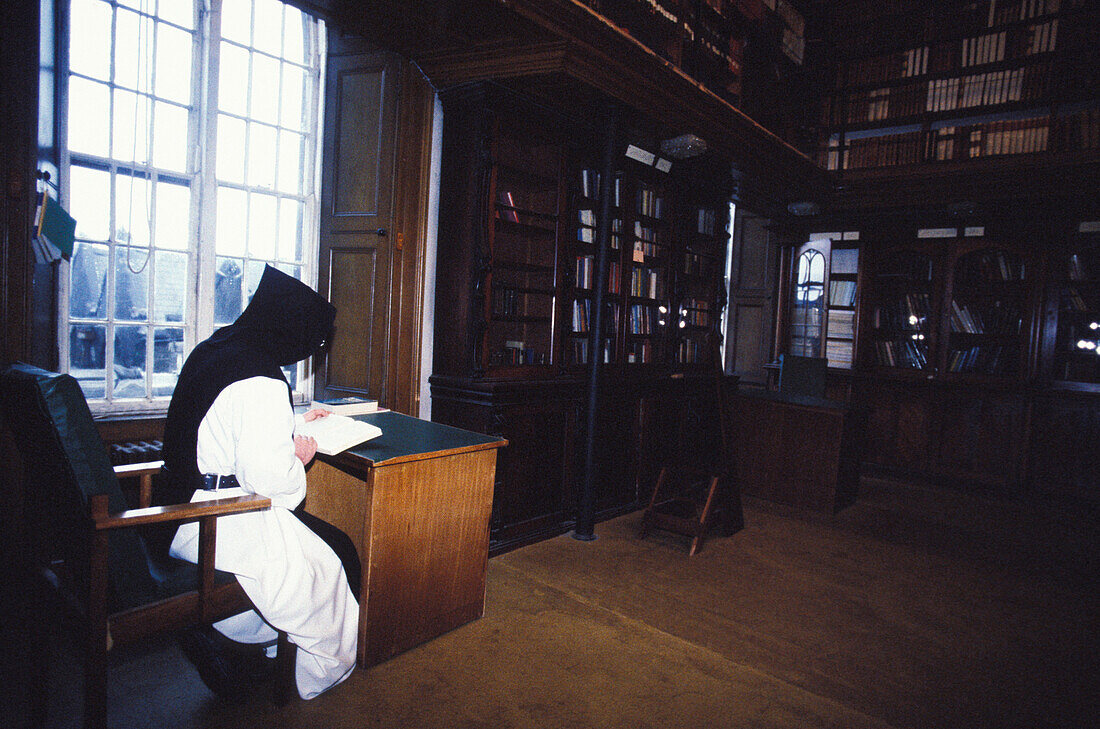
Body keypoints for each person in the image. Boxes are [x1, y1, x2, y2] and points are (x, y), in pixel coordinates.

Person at [162, 264, 360, 700]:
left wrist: (291, 421)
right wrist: (300, 458)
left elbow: (221, 423)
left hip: (172, 505)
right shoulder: (264, 380)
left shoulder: (215, 347)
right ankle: (288, 668)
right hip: (215, 519)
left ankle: (251, 650)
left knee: (313, 556)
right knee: (337, 553)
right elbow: (273, 485)